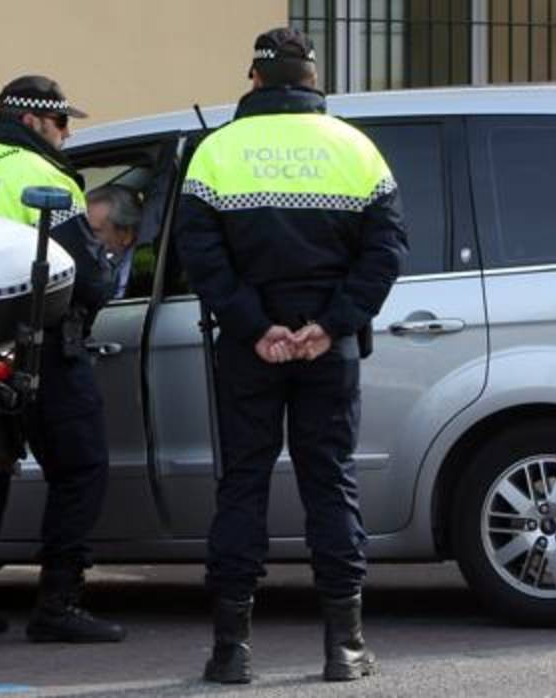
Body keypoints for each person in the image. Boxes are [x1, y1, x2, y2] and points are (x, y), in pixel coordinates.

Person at [175, 28, 408, 684]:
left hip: (249, 350)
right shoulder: (356, 148)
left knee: (242, 484)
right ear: (312, 81)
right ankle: (345, 647)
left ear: (255, 79)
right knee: (330, 483)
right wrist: (327, 326)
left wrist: (254, 326)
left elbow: (200, 254)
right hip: (327, 350)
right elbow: (386, 252)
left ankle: (231, 652)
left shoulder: (216, 149)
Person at [0, 75, 126, 643]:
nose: (68, 134)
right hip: (38, 351)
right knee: (80, 469)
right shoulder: (45, 178)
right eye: (62, 123)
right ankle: (58, 606)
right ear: (33, 122)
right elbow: (88, 278)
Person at [85, 185, 141, 298]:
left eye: (95, 231)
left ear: (126, 233)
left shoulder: (134, 273)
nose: (86, 236)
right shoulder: (112, 262)